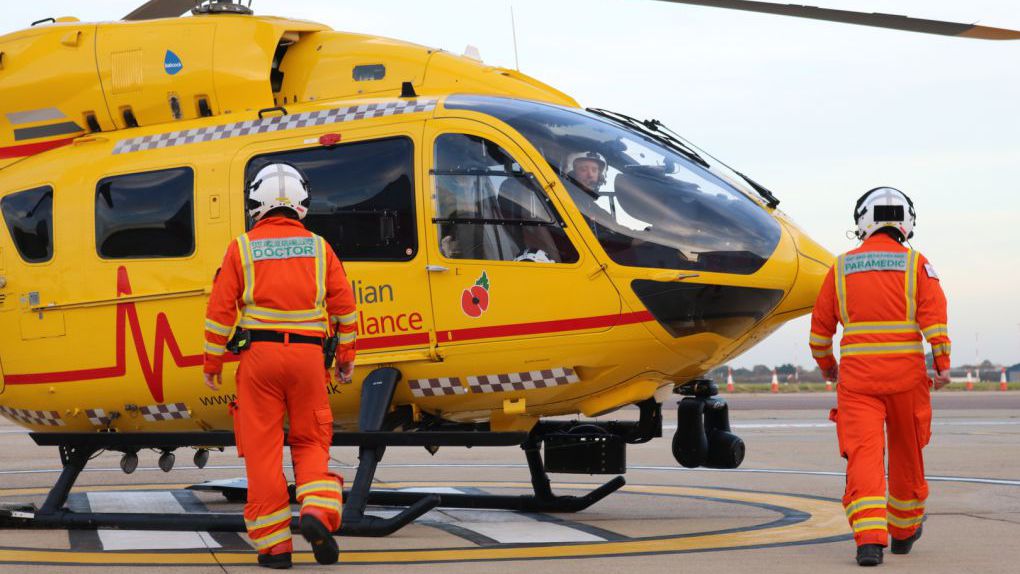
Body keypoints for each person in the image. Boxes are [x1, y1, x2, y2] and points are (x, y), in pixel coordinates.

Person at [202, 163, 357, 569]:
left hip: (260, 360)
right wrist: (345, 358)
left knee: (263, 451)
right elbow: (345, 308)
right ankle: (317, 511)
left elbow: (220, 310)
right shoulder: (320, 248)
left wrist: (212, 361)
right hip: (308, 359)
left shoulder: (241, 248)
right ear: (302, 203)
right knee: (311, 441)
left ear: (256, 203)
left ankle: (275, 549)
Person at [809, 187, 951, 567]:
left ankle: (869, 542)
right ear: (907, 223)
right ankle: (903, 532)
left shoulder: (840, 268)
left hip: (858, 384)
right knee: (907, 453)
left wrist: (828, 367)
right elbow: (935, 316)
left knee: (864, 456)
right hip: (907, 380)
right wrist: (942, 361)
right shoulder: (917, 264)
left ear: (863, 222)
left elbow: (820, 331)